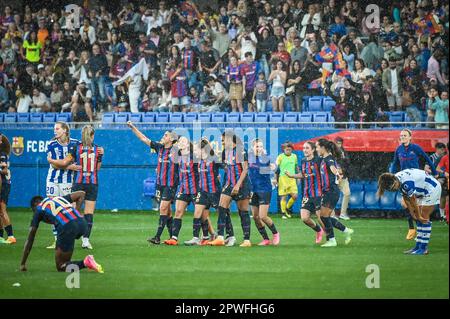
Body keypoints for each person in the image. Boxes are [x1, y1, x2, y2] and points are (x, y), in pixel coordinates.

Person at [48, 125, 104, 250]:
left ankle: (69, 237)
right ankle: (85, 240)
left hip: (78, 183)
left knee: (73, 212)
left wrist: (51, 159)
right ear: (93, 135)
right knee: (89, 213)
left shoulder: (75, 147)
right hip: (92, 183)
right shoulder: (98, 149)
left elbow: (63, 163)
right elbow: (98, 168)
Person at [20, 192, 103, 273]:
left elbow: (30, 238)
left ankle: (86, 262)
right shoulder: (58, 198)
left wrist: (23, 263)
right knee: (64, 248)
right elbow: (81, 194)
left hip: (68, 227)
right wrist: (77, 211)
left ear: (34, 207)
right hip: (83, 224)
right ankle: (69, 259)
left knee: (61, 266)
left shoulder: (38, 209)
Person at [127, 122, 179, 245]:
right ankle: (173, 237)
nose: (163, 136)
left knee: (162, 208)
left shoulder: (177, 151)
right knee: (167, 211)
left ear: (171, 139)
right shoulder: (159, 147)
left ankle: (157, 237)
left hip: (170, 185)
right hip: (160, 184)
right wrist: (133, 127)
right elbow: (143, 138)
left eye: (166, 135)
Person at [378, 169, 442, 255]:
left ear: (395, 181)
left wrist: (418, 216)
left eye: (394, 187)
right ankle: (418, 246)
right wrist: (413, 214)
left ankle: (423, 248)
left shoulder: (406, 183)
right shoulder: (397, 179)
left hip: (432, 189)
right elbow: (406, 198)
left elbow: (413, 201)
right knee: (418, 217)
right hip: (422, 190)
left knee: (423, 216)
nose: (395, 189)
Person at [208, 131, 252, 247]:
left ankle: (247, 240)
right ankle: (221, 237)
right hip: (228, 184)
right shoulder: (224, 152)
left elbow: (245, 169)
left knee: (243, 211)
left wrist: (238, 185)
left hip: (242, 185)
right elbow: (224, 166)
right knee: (222, 207)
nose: (222, 142)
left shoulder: (240, 150)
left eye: (223, 140)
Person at [391, 129, 437, 240]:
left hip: (416, 179)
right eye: (401, 135)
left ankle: (417, 227)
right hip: (404, 179)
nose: (402, 137)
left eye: (405, 135)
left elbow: (427, 159)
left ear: (410, 137)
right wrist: (392, 176)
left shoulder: (415, 148)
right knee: (406, 204)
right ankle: (414, 227)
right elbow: (395, 164)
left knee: (411, 203)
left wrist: (434, 173)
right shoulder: (398, 149)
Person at [45, 122, 80, 249]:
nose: (55, 131)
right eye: (54, 129)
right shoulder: (51, 144)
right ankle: (56, 239)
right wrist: (70, 166)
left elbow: (61, 162)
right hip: (52, 180)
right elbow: (55, 165)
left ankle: (69, 237)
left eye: (57, 128)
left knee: (68, 209)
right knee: (52, 210)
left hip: (67, 181)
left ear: (65, 130)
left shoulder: (75, 143)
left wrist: (57, 162)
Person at [316, 138, 354, 248]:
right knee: (324, 217)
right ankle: (346, 230)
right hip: (328, 191)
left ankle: (332, 240)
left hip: (331, 191)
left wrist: (337, 173)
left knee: (323, 217)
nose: (317, 149)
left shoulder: (329, 159)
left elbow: (333, 169)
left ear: (323, 148)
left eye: (318, 147)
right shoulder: (324, 159)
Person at [285, 141, 325, 244]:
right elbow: (303, 174)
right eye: (304, 148)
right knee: (304, 218)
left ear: (313, 150)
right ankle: (319, 231)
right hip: (307, 194)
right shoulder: (303, 161)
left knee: (321, 218)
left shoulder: (319, 160)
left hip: (318, 193)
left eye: (307, 148)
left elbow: (327, 171)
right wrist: (292, 176)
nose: (305, 150)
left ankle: (330, 237)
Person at [184, 139, 222, 246]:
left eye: (196, 149)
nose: (194, 151)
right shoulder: (198, 160)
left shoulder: (214, 160)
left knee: (222, 213)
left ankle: (227, 236)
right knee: (198, 213)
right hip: (203, 191)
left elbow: (227, 167)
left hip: (214, 191)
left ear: (202, 150)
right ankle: (196, 237)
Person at [164, 136, 198, 245]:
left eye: (184, 141)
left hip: (194, 189)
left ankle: (209, 235)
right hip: (183, 189)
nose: (181, 142)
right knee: (178, 212)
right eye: (180, 141)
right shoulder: (177, 157)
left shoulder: (194, 157)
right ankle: (174, 238)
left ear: (188, 144)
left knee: (201, 215)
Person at [248, 139, 280, 246]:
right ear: (253, 147)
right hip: (253, 190)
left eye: (260, 146)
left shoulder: (267, 158)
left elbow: (276, 169)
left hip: (265, 190)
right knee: (256, 217)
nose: (259, 148)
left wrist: (274, 172)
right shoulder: (249, 158)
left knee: (263, 216)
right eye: (257, 146)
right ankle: (265, 239)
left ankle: (275, 233)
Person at [275, 142, 299, 219]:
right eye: (286, 149)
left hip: (292, 179)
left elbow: (296, 167)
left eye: (289, 149)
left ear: (292, 149)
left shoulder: (294, 156)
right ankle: (283, 213)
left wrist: (298, 177)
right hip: (283, 179)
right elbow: (276, 169)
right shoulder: (280, 157)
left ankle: (287, 208)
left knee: (295, 196)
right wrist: (275, 179)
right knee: (284, 197)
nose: (288, 151)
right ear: (284, 150)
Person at [0, 134, 15, 244]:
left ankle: (11, 236)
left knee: (2, 210)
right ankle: (0, 236)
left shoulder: (2, 154)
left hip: (4, 184)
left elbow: (4, 171)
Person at [334, 137, 351, 220]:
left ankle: (343, 214)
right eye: (337, 143)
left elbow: (348, 163)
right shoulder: (331, 152)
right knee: (332, 195)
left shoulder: (344, 152)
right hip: (334, 177)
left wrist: (344, 158)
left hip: (343, 176)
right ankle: (332, 214)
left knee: (347, 193)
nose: (339, 144)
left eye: (340, 143)